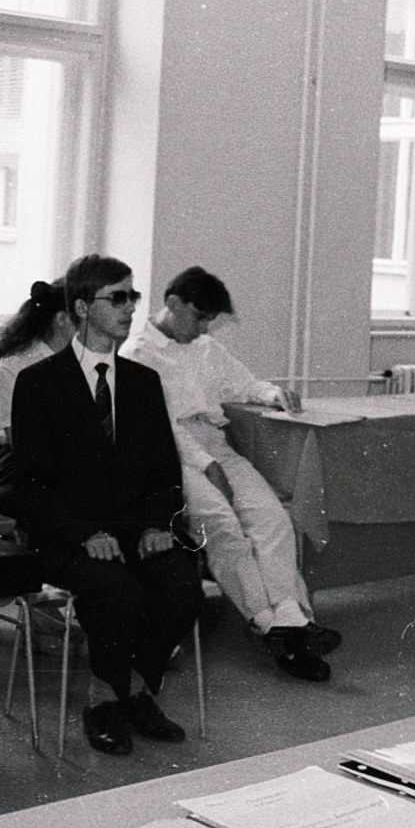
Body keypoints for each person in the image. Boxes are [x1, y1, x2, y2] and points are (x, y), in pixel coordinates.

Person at [10, 254, 205, 757]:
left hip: (133, 531)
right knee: (116, 592)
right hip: (67, 537)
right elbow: (27, 485)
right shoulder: (37, 384)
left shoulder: (143, 383)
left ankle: (135, 689)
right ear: (80, 307)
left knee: (183, 588)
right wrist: (83, 533)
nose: (129, 307)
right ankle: (103, 701)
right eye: (116, 297)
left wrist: (157, 524)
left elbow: (165, 472)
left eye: (132, 296)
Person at [121, 266, 340, 681]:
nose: (204, 327)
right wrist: (208, 466)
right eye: (200, 316)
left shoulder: (205, 347)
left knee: (273, 518)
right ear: (172, 303)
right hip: (170, 454)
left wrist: (274, 394)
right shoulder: (137, 354)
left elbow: (243, 384)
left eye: (209, 320)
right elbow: (161, 427)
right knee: (223, 526)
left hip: (213, 441)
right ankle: (269, 621)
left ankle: (290, 620)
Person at [0, 278, 73, 512]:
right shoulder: (14, 366)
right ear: (62, 319)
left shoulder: (86, 361)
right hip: (20, 463)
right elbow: (14, 438)